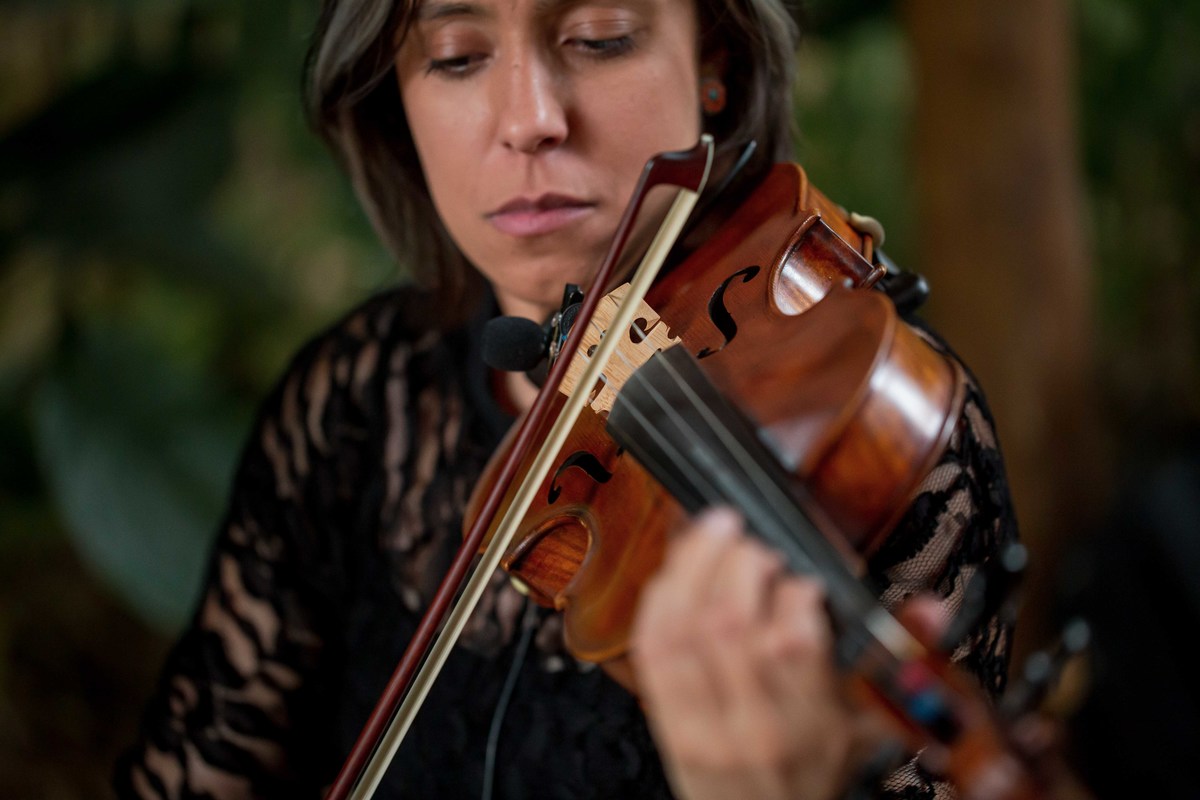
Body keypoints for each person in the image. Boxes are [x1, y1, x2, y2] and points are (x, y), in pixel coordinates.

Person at [114, 0, 1018, 796]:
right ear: (396, 94)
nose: (531, 121)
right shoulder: (356, 401)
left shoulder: (892, 435)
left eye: (600, 37)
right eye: (459, 55)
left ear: (716, 63)